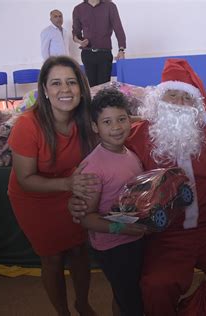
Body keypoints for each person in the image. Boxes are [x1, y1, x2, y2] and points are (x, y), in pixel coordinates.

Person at [70, 58, 206, 315]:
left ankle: (205, 308)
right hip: (166, 233)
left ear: (196, 104)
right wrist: (79, 190)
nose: (179, 104)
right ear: (159, 100)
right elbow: (106, 157)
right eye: (172, 95)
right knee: (156, 285)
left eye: (186, 97)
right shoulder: (136, 136)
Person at [7, 56, 97, 316]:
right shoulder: (27, 125)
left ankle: (83, 303)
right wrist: (68, 183)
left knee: (80, 250)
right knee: (53, 258)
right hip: (33, 197)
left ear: (81, 87)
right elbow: (26, 179)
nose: (65, 90)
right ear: (44, 91)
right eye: (56, 83)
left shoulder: (85, 118)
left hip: (70, 189)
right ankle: (63, 312)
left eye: (71, 82)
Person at [78, 88, 147, 316]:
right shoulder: (93, 167)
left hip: (134, 237)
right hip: (112, 247)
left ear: (130, 119)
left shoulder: (129, 152)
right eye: (107, 122)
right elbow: (87, 218)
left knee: (126, 295)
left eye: (121, 119)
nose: (116, 127)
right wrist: (122, 228)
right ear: (95, 127)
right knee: (131, 301)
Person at [72, 0, 126, 87]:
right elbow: (75, 34)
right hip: (87, 53)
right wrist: (80, 41)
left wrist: (121, 49)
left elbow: (118, 28)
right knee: (91, 88)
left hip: (104, 54)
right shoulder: (78, 9)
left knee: (104, 88)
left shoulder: (110, 6)